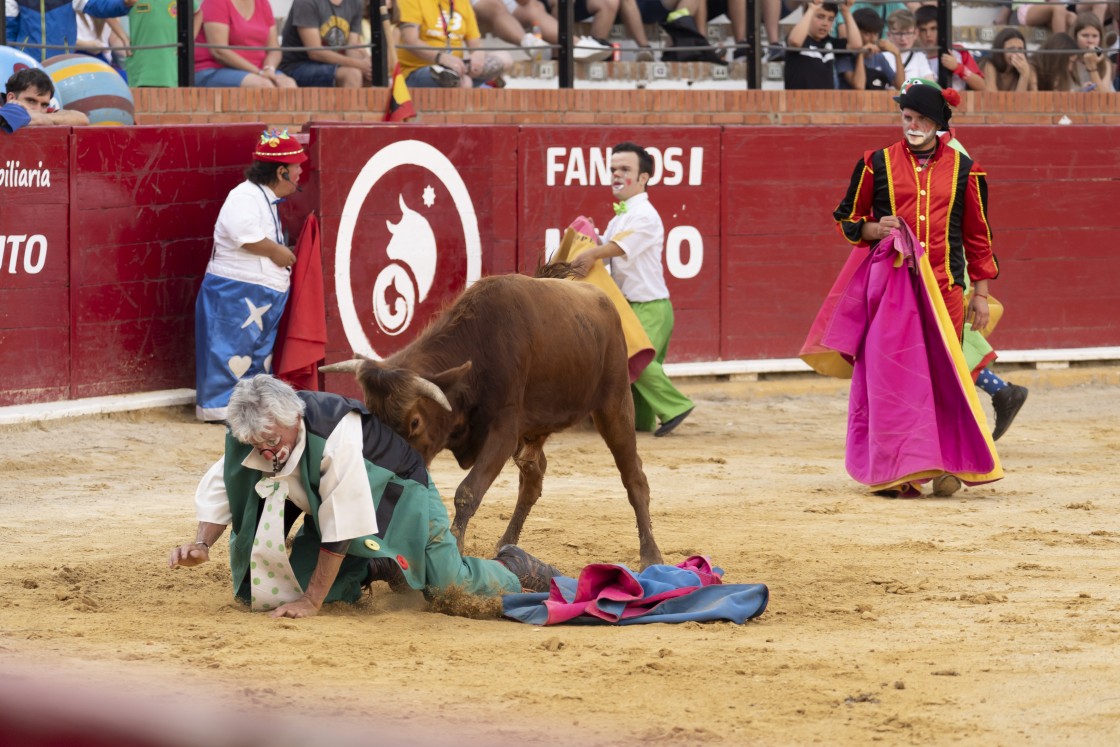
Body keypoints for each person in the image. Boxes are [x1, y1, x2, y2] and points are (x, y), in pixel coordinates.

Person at [168, 375, 560, 617]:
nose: (267, 453)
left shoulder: (335, 433)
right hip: (334, 512)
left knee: (445, 585)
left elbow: (343, 522)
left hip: (400, 491)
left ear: (293, 418)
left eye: (272, 441)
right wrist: (202, 543)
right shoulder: (251, 436)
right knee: (281, 591)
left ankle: (512, 566)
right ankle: (377, 566)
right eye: (256, 444)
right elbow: (223, 487)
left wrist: (313, 602)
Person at [831, 78, 1001, 496]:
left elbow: (978, 238)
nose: (912, 125)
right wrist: (873, 227)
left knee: (946, 378)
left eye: (921, 118)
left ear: (939, 123)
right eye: (907, 117)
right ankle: (895, 469)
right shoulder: (876, 162)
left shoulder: (966, 170)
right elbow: (847, 217)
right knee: (893, 380)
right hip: (892, 289)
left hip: (945, 290)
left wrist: (979, 294)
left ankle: (948, 463)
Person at [568, 142, 695, 437]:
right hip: (637, 304)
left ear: (643, 177)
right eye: (613, 169)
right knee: (636, 369)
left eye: (625, 169)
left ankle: (676, 407)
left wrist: (591, 253)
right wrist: (589, 235)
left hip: (649, 305)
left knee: (633, 358)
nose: (616, 175)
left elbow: (617, 248)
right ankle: (642, 421)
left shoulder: (645, 215)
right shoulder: (621, 216)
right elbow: (608, 244)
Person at [194, 129, 305, 422]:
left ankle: (247, 412)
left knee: (256, 355)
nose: (300, 172)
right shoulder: (244, 195)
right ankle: (222, 409)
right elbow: (244, 235)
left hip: (257, 293)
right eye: (296, 167)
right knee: (227, 350)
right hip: (236, 292)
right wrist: (277, 252)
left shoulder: (263, 198)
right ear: (282, 172)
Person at [394, 0, 513, 88]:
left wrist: (477, 55)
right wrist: (441, 57)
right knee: (463, 82)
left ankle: (473, 80)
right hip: (417, 70)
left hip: (458, 67)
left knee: (505, 58)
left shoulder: (463, 3)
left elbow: (475, 43)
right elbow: (409, 40)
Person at [194, 0, 297, 88]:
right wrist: (259, 73)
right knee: (263, 86)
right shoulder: (215, 2)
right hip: (213, 69)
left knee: (289, 85)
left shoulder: (263, 3)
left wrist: (269, 69)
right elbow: (219, 51)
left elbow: (274, 48)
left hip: (259, 71)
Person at [6, 0, 136, 64]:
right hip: (26, 65)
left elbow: (98, 6)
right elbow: (8, 31)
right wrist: (10, 62)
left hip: (62, 64)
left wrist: (124, 4)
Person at [279, 0, 371, 88]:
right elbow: (315, 52)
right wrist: (359, 64)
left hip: (332, 64)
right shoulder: (306, 1)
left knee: (373, 76)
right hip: (297, 66)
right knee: (352, 75)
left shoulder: (355, 2)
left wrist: (368, 65)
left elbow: (352, 46)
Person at [784, 0, 861, 90]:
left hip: (825, 102)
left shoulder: (830, 42)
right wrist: (812, 8)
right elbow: (795, 41)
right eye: (820, 17)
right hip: (798, 102)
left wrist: (846, 11)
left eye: (830, 19)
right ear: (807, 15)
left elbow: (856, 45)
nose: (825, 23)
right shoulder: (798, 38)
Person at [125, 0, 204, 87]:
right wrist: (123, 38)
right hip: (142, 65)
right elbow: (110, 10)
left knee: (171, 97)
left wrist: (188, 40)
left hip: (171, 65)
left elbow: (197, 13)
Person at [914, 5, 985, 92]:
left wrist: (958, 67)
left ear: (942, 28)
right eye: (923, 30)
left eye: (933, 28)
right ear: (917, 31)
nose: (928, 34)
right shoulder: (913, 54)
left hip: (956, 104)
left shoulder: (958, 51)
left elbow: (982, 86)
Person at [1, 68, 89, 133]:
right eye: (31, 101)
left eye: (44, 105)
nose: (38, 109)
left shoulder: (44, 113)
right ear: (11, 98)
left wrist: (39, 118)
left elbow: (82, 119)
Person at [837, 7, 904, 90]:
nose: (873, 39)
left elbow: (901, 86)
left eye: (875, 34)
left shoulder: (878, 57)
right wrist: (860, 54)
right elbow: (859, 86)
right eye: (867, 33)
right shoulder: (845, 56)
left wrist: (897, 54)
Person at [881, 8, 933, 82]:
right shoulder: (882, 56)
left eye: (908, 33)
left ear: (915, 33)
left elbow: (930, 84)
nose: (903, 38)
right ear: (889, 35)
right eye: (898, 33)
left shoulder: (919, 57)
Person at [981, 27, 1038, 92]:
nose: (1017, 54)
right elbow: (993, 99)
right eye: (1011, 49)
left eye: (1020, 49)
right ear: (1000, 51)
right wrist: (1024, 76)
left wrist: (1024, 76)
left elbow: (1035, 99)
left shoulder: (1028, 68)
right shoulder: (989, 66)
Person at [1071, 11, 1116, 92]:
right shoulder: (1069, 60)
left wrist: (1092, 66)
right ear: (1075, 36)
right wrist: (1080, 91)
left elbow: (1104, 97)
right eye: (1085, 35)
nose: (1090, 40)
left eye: (1094, 36)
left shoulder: (1105, 62)